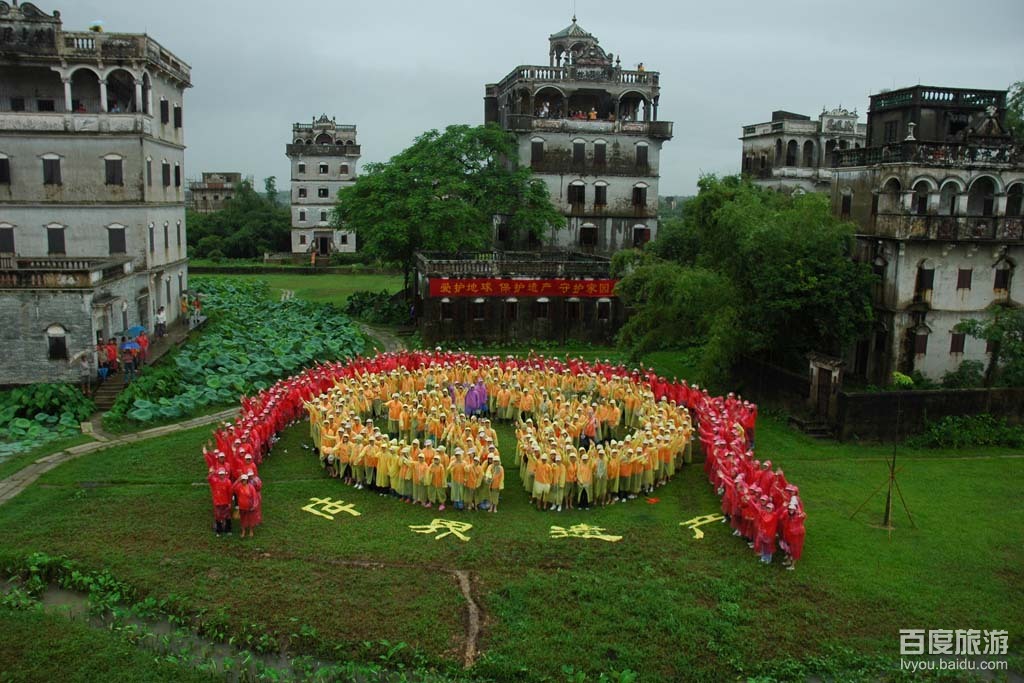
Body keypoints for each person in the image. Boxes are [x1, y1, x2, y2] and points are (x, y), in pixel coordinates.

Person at [207, 467, 232, 536]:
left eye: (223, 474)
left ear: (225, 474)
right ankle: (219, 531)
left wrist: (229, 502)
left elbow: (230, 493)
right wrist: (213, 472)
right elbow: (208, 478)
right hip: (217, 502)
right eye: (220, 474)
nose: (222, 475)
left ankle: (228, 530)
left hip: (226, 502)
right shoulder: (215, 481)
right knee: (218, 517)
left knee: (227, 517)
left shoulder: (228, 482)